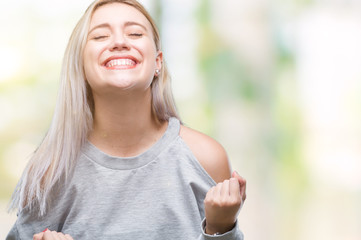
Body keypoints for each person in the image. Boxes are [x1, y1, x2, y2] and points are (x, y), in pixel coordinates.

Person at [7, 0, 247, 239]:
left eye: (134, 33)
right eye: (100, 36)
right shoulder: (51, 171)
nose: (120, 42)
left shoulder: (206, 159)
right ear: (81, 65)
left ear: (158, 62)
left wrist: (220, 230)